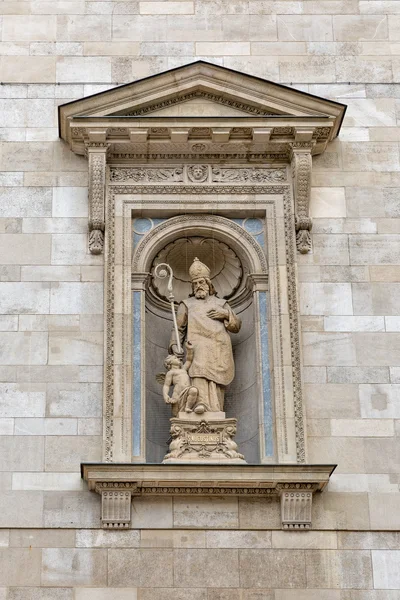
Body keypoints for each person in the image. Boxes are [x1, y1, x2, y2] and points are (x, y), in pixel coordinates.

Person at [169, 257, 241, 412]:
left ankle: (215, 408)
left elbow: (236, 326)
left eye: (201, 282)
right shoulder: (187, 304)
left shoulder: (221, 303)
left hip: (218, 346)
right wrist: (175, 345)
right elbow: (178, 328)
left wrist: (225, 314)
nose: (198, 286)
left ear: (209, 284)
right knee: (198, 372)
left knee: (215, 381)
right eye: (195, 283)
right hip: (197, 346)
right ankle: (200, 404)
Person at [159, 342, 200, 417]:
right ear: (170, 363)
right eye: (175, 358)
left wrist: (189, 349)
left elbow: (189, 360)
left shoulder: (183, 369)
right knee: (176, 414)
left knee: (194, 390)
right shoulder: (171, 372)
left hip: (187, 390)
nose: (178, 358)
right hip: (177, 394)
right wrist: (165, 395)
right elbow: (166, 385)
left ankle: (188, 407)